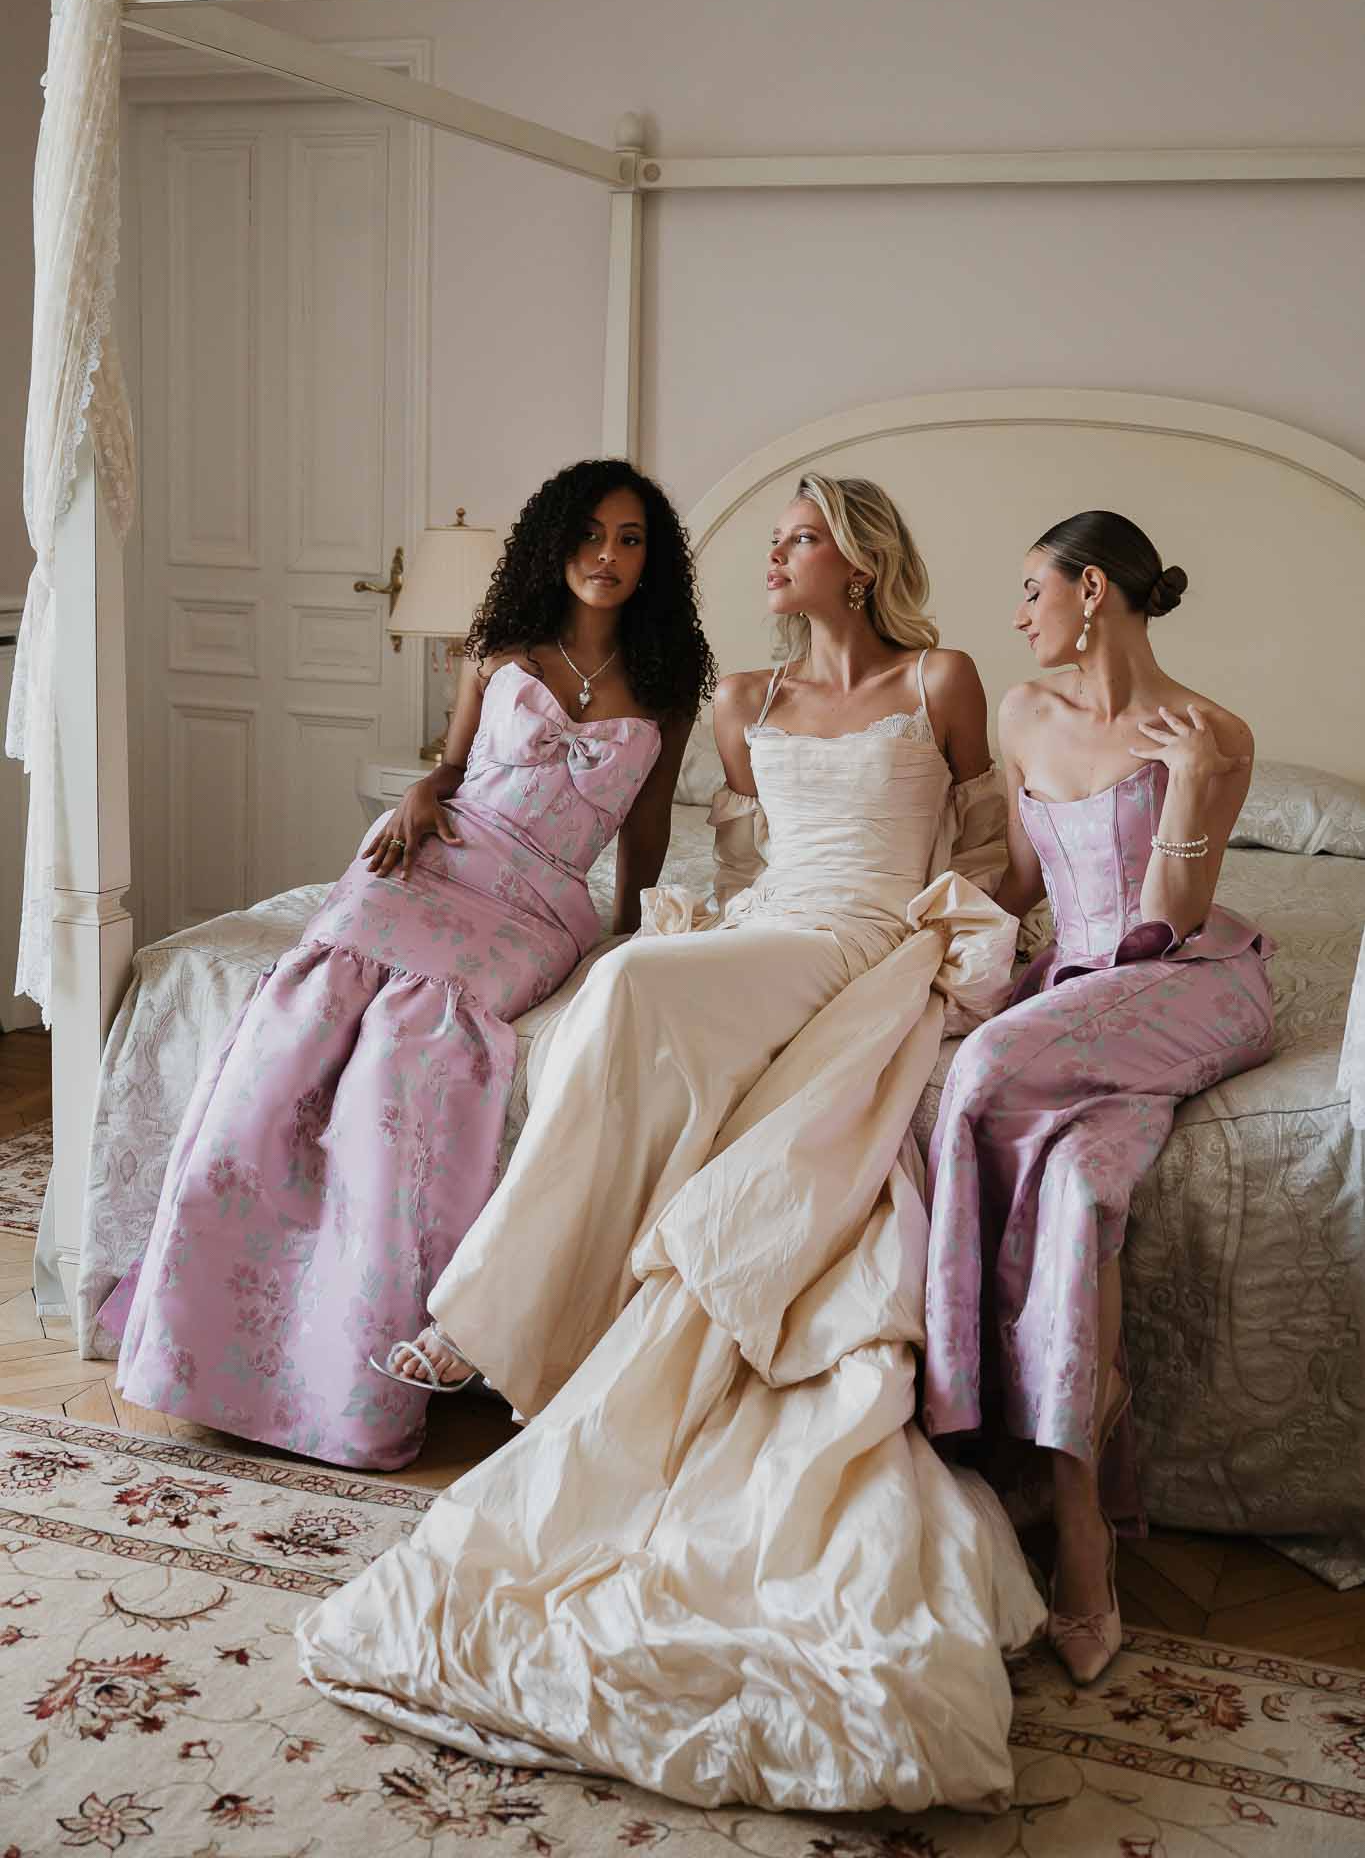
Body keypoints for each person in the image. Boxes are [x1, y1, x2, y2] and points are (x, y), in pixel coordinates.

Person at [296, 476, 1047, 1815]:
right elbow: (747, 853)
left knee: (631, 987)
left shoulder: (945, 678)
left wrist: (1007, 945)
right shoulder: (748, 702)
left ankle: (485, 1311)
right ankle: (551, 1304)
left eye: (801, 540)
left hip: (868, 936)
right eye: (775, 540)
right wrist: (685, 922)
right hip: (773, 927)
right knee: (636, 979)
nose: (775, 555)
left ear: (862, 564)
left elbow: (988, 846)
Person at [103, 460, 712, 1470]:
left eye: (633, 538)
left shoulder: (666, 687)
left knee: (406, 1052)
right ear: (557, 544)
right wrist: (424, 794)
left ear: (654, 559)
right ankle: (205, 1350)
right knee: (299, 1014)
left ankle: (353, 1383)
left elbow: (645, 832)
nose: (610, 556)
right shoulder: (500, 646)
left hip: (536, 901)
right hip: (436, 852)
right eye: (593, 535)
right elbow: (454, 762)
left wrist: (626, 935)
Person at [922, 509, 1275, 1684]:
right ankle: (1085, 1525)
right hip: (1071, 989)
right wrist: (915, 914)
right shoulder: (1023, 713)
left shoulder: (1216, 731)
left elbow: (1168, 920)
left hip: (1186, 982)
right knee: (1077, 1183)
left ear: (1094, 590)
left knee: (976, 1074)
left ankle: (961, 1403)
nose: (1019, 613)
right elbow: (1022, 880)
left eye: (1034, 586)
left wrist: (1188, 783)